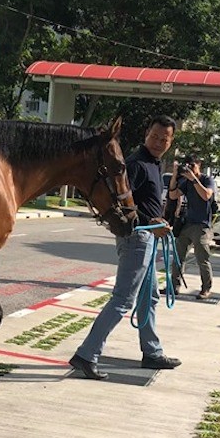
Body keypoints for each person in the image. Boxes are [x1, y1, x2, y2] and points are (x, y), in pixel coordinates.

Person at [69, 116, 182, 380]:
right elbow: (119, 205)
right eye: (154, 137)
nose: (158, 142)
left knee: (149, 297)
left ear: (171, 141)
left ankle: (152, 351)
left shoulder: (154, 163)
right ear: (146, 134)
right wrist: (149, 223)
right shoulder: (136, 164)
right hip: (136, 239)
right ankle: (86, 355)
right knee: (123, 299)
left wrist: (157, 222)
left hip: (149, 239)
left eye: (164, 139)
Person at [167, 154, 217, 299]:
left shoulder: (207, 180)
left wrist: (193, 179)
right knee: (178, 256)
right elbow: (173, 195)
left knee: (202, 258)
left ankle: (206, 288)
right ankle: (174, 286)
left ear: (199, 164)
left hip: (202, 225)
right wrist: (175, 176)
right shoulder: (186, 182)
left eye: (192, 166)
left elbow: (206, 195)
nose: (190, 169)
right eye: (187, 166)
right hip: (187, 223)